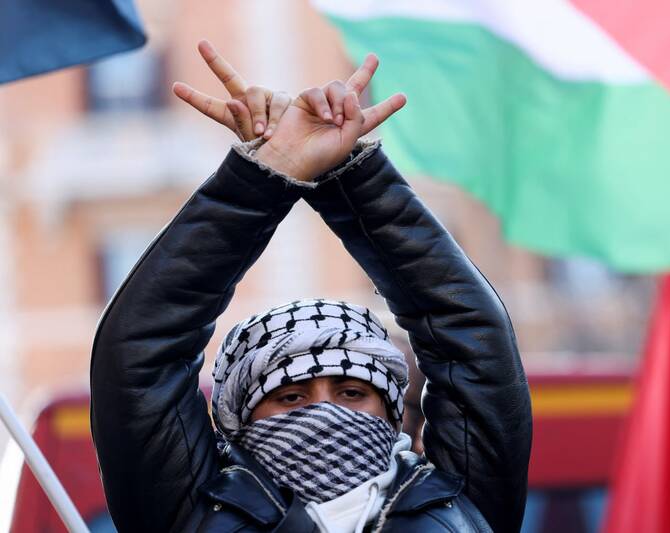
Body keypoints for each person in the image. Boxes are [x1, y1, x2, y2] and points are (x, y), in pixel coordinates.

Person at [90, 40, 532, 532]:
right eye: (291, 398)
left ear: (391, 414)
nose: (324, 412)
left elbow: (471, 336)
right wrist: (267, 173)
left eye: (351, 392)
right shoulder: (187, 514)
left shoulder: (461, 502)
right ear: (239, 419)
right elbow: (140, 351)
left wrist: (351, 173)